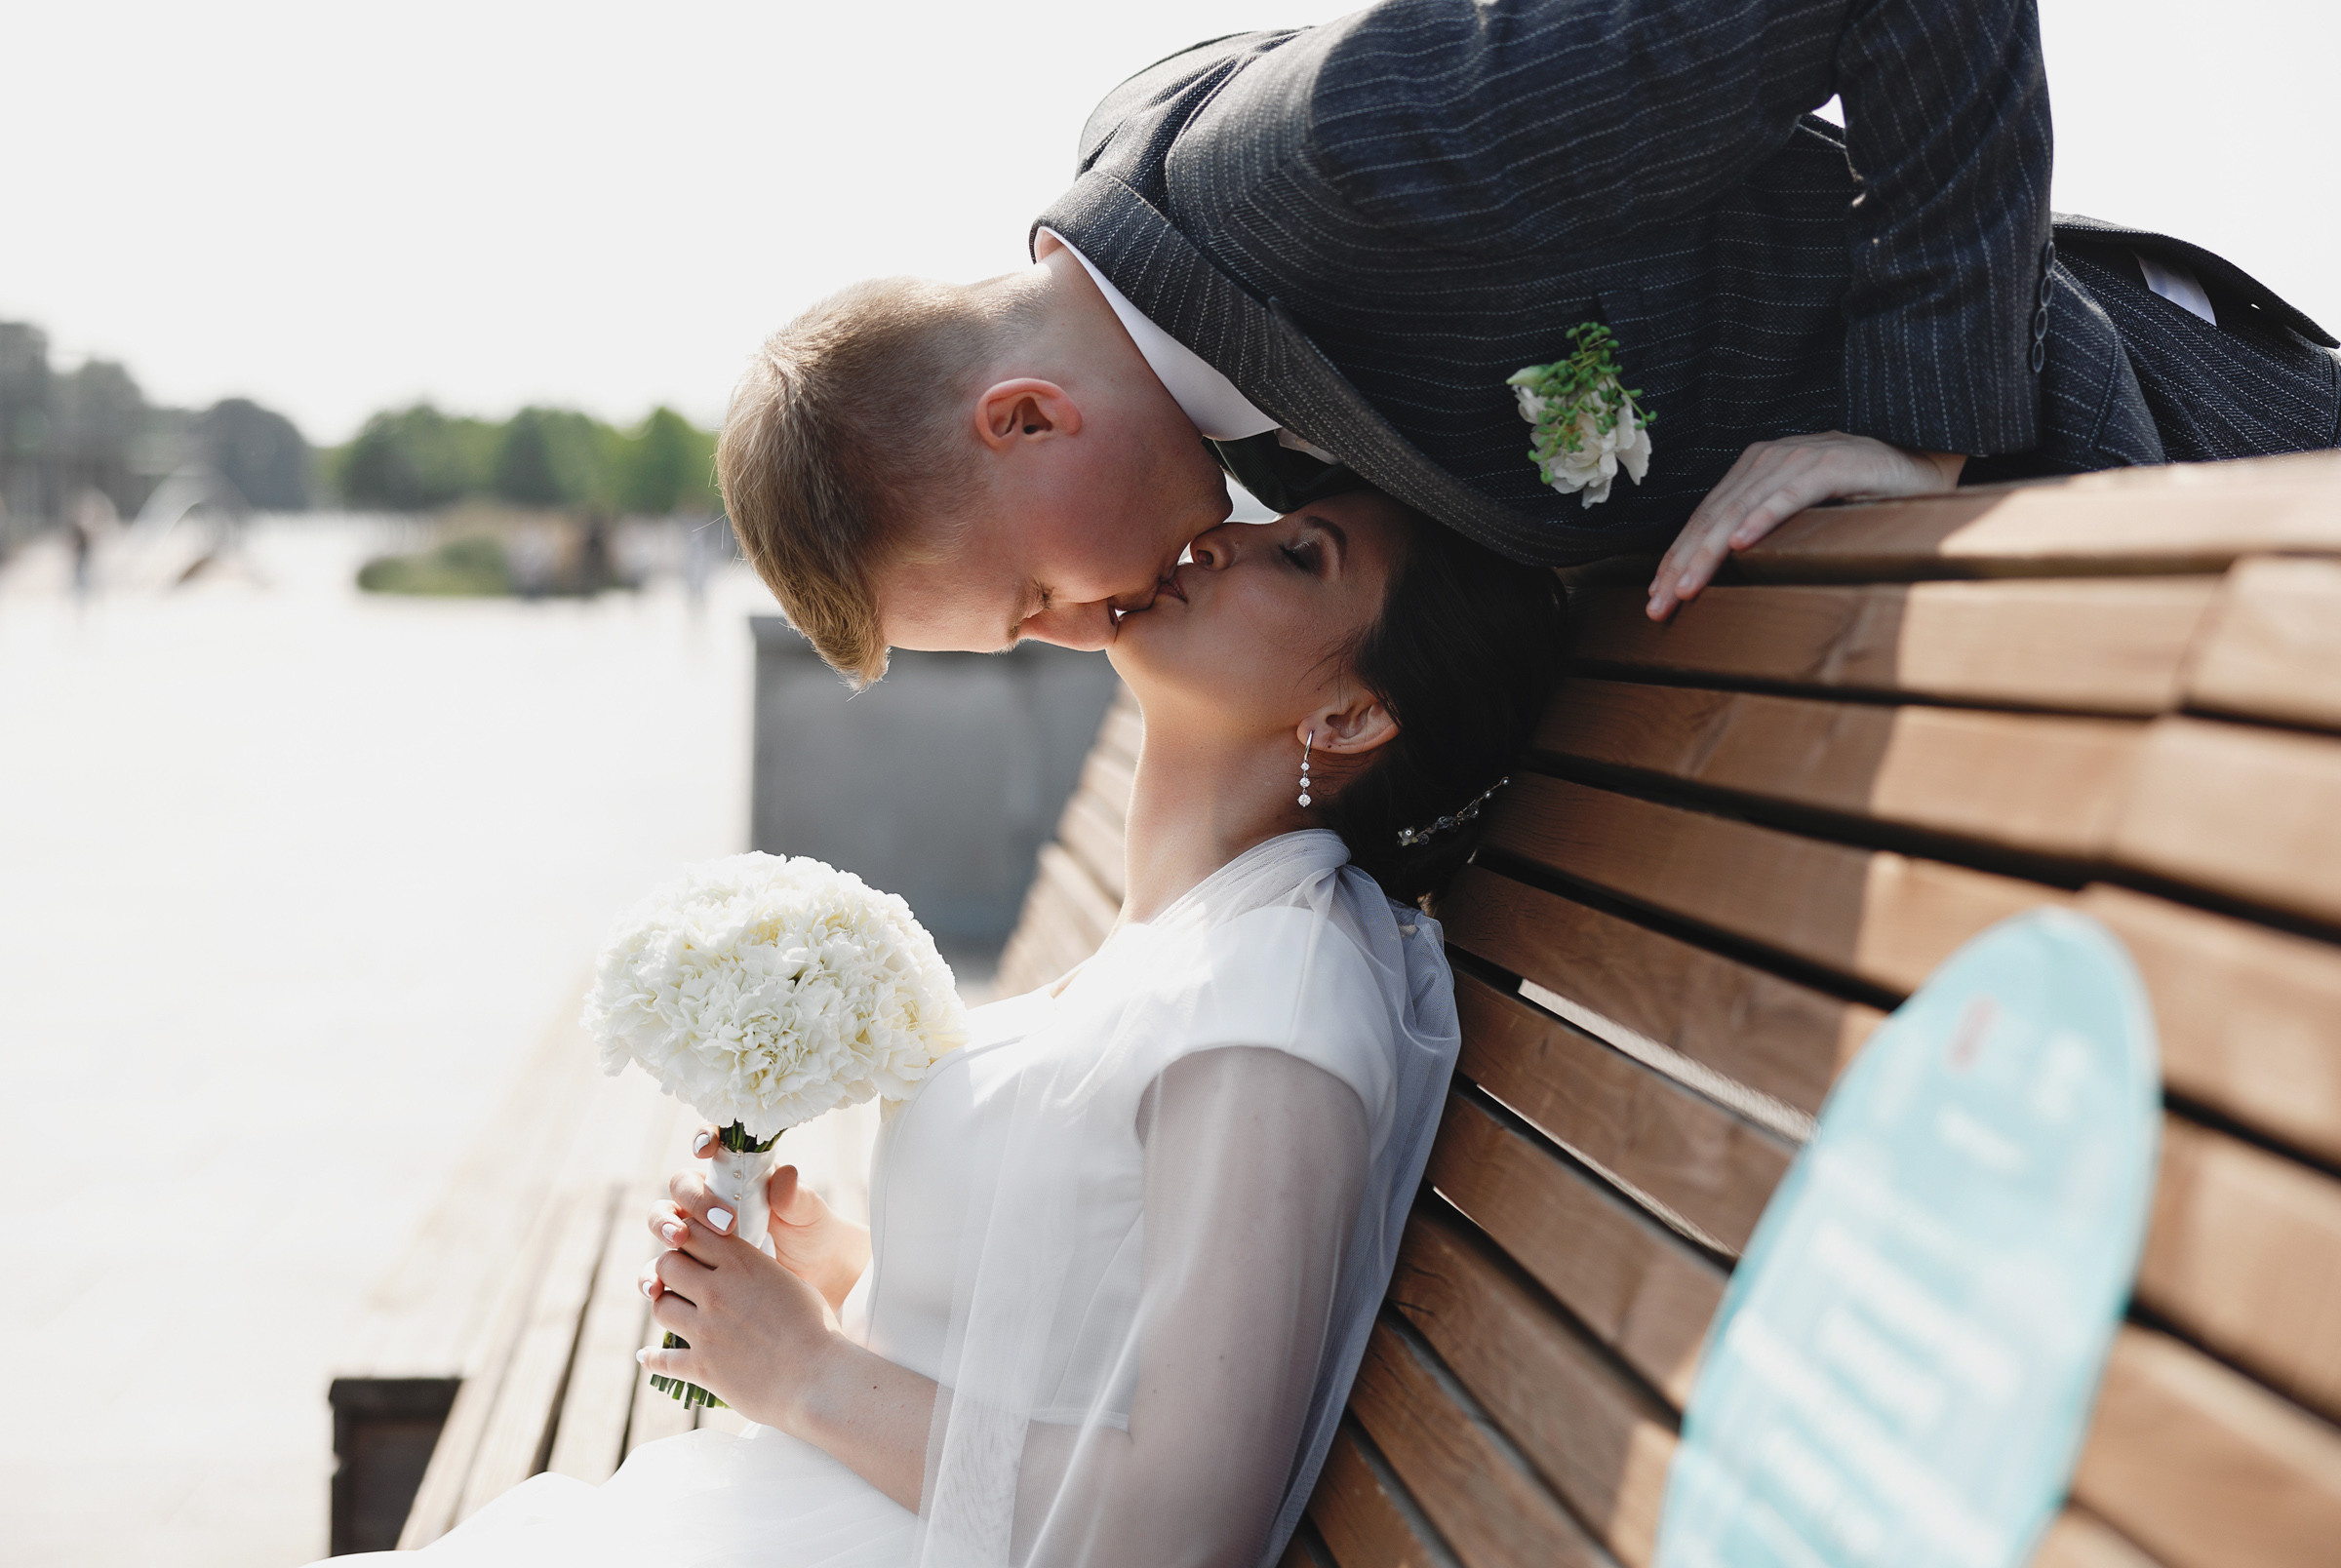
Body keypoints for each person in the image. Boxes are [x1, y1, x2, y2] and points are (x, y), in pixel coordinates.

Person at [319, 490, 1567, 1567]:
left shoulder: (1278, 991)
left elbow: (1176, 1534)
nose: (1219, 538)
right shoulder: (1202, 945)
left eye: (1301, 557)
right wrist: (850, 1268)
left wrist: (806, 1373)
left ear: (1347, 719)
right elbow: (1088, 1313)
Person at [716, 0, 2338, 688]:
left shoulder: (1334, 159)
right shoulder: (1193, 341)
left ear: (1022, 420)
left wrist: (1912, 430)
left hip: (2191, 493)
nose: (1087, 636)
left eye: (1028, 604)